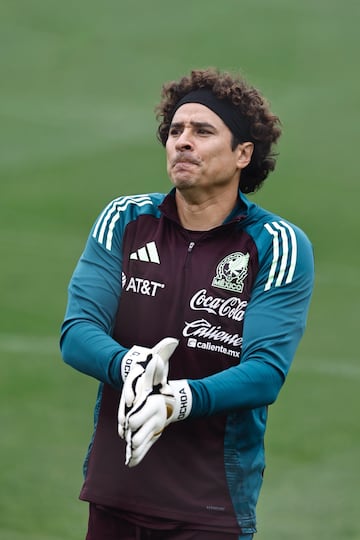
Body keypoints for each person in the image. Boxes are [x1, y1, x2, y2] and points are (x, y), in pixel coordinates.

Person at [60, 67, 314, 540]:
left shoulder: (276, 244)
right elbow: (77, 332)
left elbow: (265, 372)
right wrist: (130, 365)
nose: (182, 141)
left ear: (243, 153)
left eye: (202, 131)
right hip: (116, 491)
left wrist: (179, 399)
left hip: (209, 507)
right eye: (175, 130)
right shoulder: (125, 219)